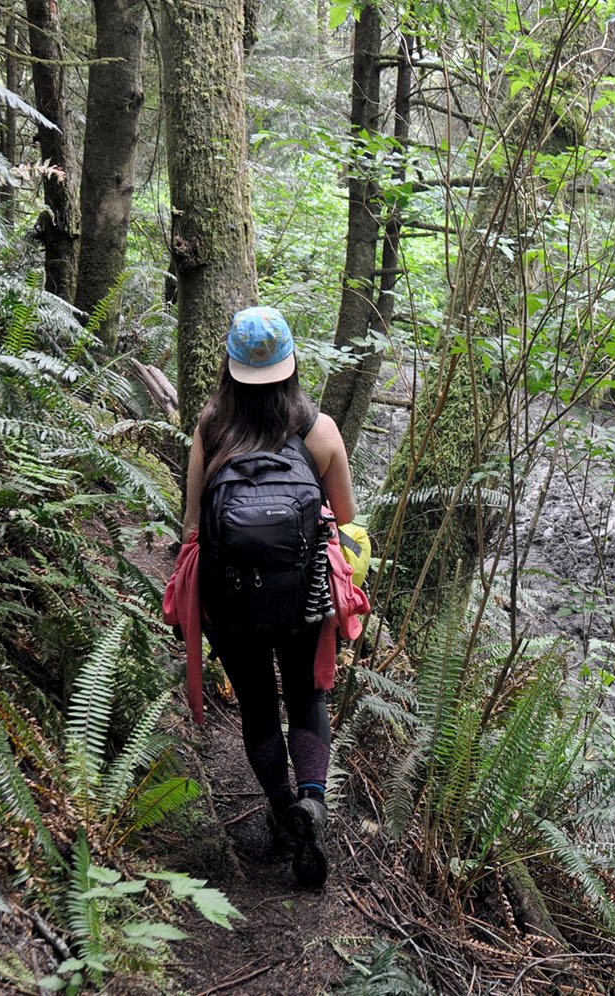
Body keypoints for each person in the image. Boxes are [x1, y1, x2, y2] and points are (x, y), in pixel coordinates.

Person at [180, 305, 357, 888]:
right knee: (306, 697)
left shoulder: (210, 428)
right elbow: (348, 524)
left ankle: (284, 814)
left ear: (230, 368)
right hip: (302, 597)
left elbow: (192, 528)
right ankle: (313, 802)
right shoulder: (321, 431)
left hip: (231, 601)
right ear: (292, 364)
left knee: (257, 702)